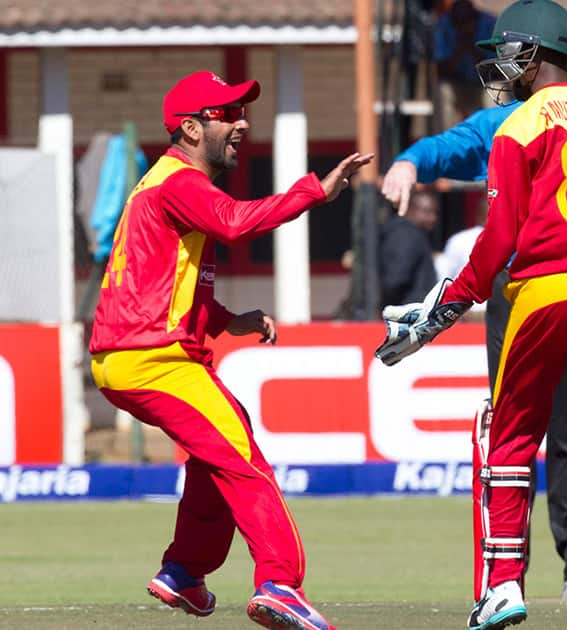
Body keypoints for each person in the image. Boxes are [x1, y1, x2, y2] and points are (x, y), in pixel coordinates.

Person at [375, 1, 567, 627]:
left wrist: (444, 308)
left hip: (539, 292)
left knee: (509, 436)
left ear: (533, 57)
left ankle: (504, 585)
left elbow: (497, 240)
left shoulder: (518, 124)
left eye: (509, 55)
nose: (502, 66)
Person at [88, 70, 372, 630]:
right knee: (244, 459)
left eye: (241, 112)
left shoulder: (163, 184)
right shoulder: (180, 184)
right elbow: (236, 223)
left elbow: (161, 283)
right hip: (152, 360)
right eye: (227, 114)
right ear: (191, 129)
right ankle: (279, 584)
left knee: (219, 451)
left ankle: (183, 573)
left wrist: (226, 319)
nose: (241, 123)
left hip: (132, 357)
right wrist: (314, 190)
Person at [381, 47, 567, 602]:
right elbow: (450, 146)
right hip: (517, 294)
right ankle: (505, 572)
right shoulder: (505, 121)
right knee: (513, 432)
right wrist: (410, 161)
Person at [433, 0, 497, 129]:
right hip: (458, 83)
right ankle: (447, 144)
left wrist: (472, 49)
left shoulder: (489, 23)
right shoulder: (443, 24)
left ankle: (496, 142)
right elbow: (440, 70)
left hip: (483, 85)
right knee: (444, 91)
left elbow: (496, 69)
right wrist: (459, 49)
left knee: (496, 92)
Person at [379, 189, 440, 308]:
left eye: (435, 213)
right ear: (411, 209)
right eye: (427, 212)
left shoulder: (413, 233)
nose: (433, 218)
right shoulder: (406, 235)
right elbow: (396, 279)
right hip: (407, 312)